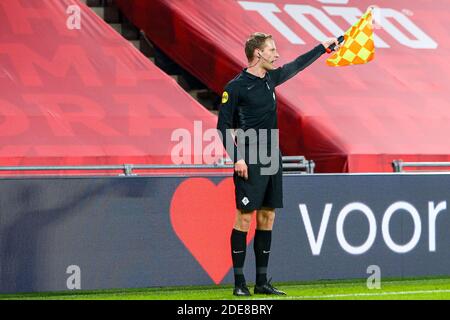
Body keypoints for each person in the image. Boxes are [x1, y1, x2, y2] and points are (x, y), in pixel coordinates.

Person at [217, 32, 340, 296]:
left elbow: (296, 65)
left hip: (273, 155)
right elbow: (223, 126)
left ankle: (261, 283)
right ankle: (239, 284)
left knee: (268, 216)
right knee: (244, 217)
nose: (277, 54)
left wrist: (322, 48)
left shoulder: (271, 79)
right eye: (272, 50)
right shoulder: (235, 87)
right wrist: (236, 157)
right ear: (258, 53)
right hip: (250, 156)